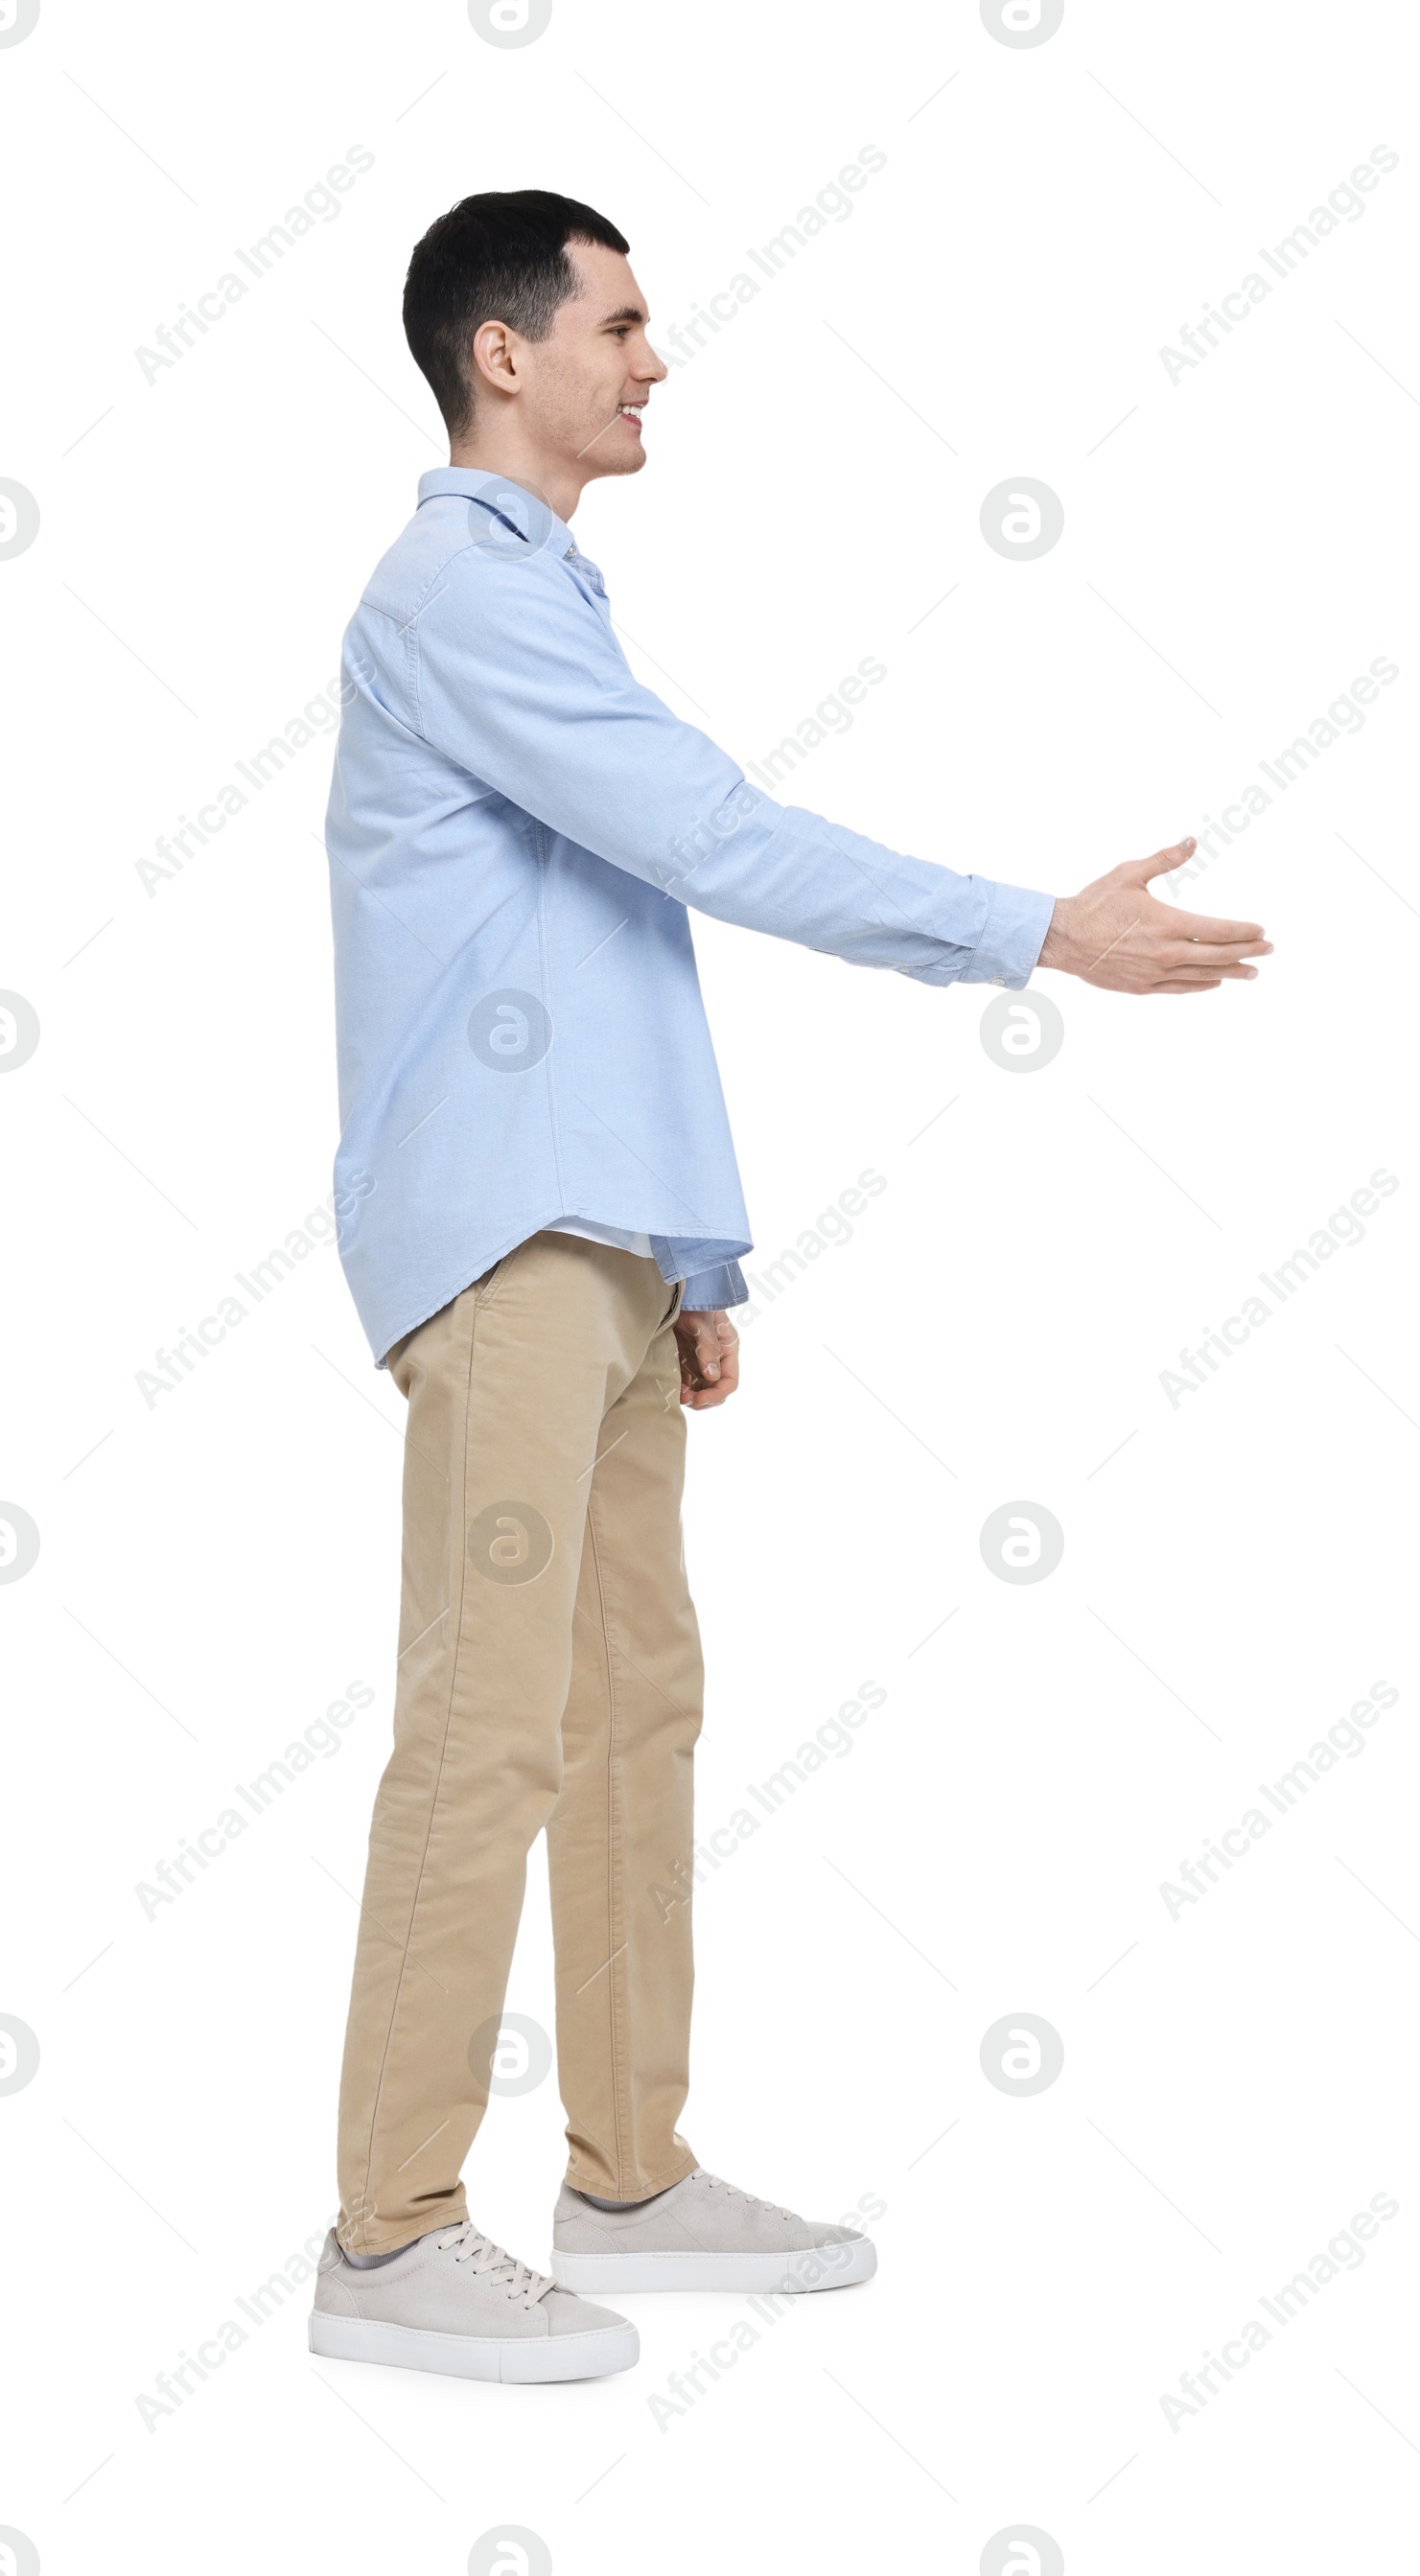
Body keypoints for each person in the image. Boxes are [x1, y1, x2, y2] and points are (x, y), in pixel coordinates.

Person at [308, 189, 1271, 2385]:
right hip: (500, 1241)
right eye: (620, 325)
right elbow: (708, 841)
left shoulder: (548, 599)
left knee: (632, 1710)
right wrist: (1035, 926)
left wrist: (688, 1245)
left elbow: (594, 943)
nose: (653, 362)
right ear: (499, 354)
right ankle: (385, 2232)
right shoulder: (456, 593)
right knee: (488, 1723)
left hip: (605, 1244)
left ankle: (626, 2176)